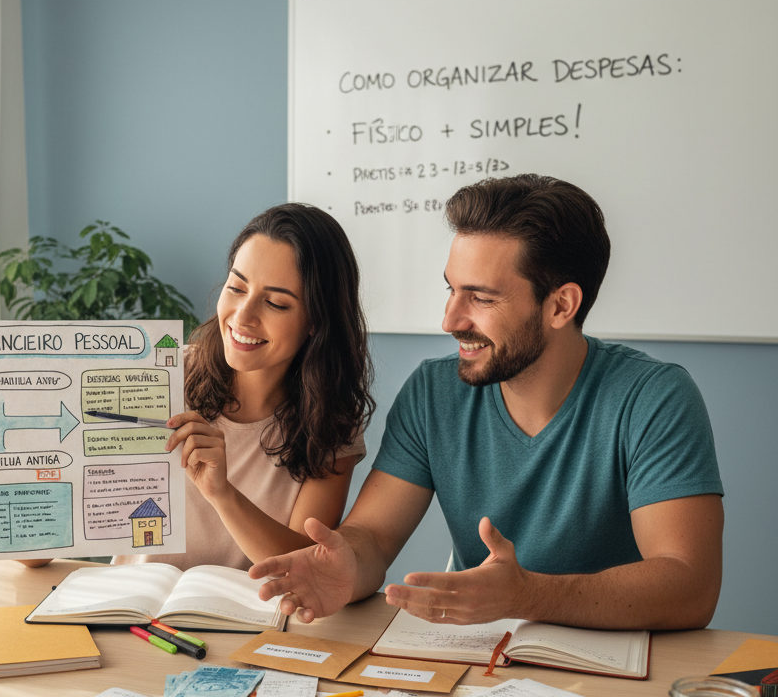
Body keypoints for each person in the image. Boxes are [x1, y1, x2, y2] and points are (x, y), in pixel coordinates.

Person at [251, 174, 724, 632]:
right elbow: (373, 536)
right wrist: (347, 567)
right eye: (451, 289)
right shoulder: (432, 393)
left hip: (622, 669)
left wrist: (527, 595)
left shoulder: (656, 398)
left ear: (561, 305)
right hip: (484, 664)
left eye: (480, 297)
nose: (450, 319)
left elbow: (690, 585)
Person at [0, 203, 375, 570]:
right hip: (129, 618)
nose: (243, 315)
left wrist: (221, 493)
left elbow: (307, 570)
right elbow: (38, 554)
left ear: (317, 321)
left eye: (277, 303)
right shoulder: (155, 378)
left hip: (252, 633)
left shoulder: (332, 422)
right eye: (236, 287)